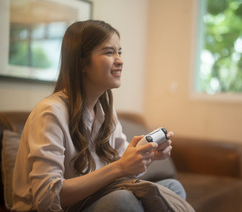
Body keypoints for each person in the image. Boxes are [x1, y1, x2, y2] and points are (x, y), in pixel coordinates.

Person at [12, 20, 186, 212]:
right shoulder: (50, 112)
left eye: (120, 52)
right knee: (123, 201)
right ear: (81, 63)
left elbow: (124, 172)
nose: (119, 60)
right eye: (109, 52)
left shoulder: (105, 112)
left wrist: (147, 155)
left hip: (91, 201)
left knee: (173, 188)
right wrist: (120, 167)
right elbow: (47, 198)